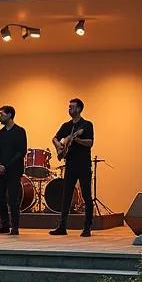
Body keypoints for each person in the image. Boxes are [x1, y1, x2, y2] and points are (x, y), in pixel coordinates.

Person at [49, 97, 94, 237]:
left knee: (86, 195)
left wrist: (76, 139)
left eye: (72, 107)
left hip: (84, 164)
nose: (69, 109)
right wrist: (59, 147)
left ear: (79, 109)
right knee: (66, 195)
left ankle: (87, 227)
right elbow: (54, 138)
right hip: (70, 164)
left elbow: (90, 143)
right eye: (69, 107)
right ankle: (62, 226)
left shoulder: (86, 125)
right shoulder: (66, 125)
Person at [0, 105, 27, 235]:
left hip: (14, 170)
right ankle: (5, 224)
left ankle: (15, 227)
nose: (0, 117)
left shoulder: (20, 131)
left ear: (10, 115)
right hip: (0, 170)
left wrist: (7, 165)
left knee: (12, 199)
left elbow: (21, 152)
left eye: (2, 114)